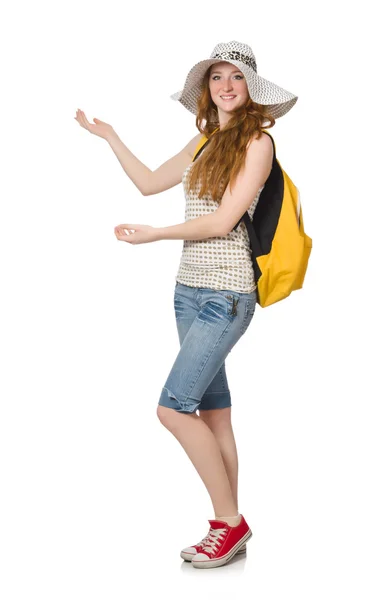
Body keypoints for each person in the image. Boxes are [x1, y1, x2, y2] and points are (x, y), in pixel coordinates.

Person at [74, 40, 298, 569]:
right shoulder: (203, 140)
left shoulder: (257, 143)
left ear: (250, 89)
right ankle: (230, 524)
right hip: (188, 292)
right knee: (213, 413)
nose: (225, 86)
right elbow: (150, 182)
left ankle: (230, 523)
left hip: (226, 294)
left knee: (173, 408)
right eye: (216, 77)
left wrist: (154, 236)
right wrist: (110, 136)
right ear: (207, 89)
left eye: (235, 78)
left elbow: (222, 223)